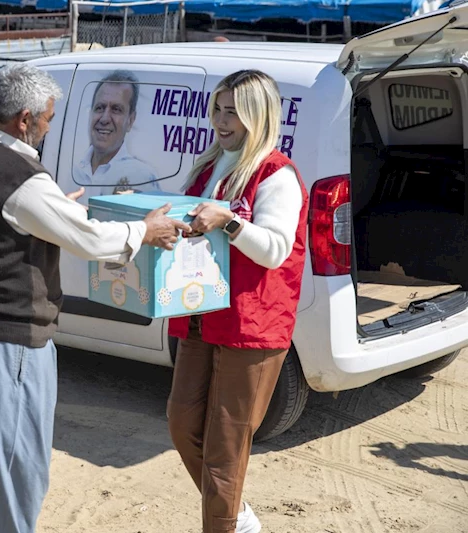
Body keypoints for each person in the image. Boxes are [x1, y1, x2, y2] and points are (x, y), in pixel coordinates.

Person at [0, 63, 191, 533]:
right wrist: (145, 230)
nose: (50, 128)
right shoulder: (17, 175)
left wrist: (52, 209)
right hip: (3, 346)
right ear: (23, 119)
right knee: (9, 471)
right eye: (47, 119)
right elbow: (87, 240)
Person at [166, 69, 309, 533]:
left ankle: (226, 524)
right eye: (218, 109)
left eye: (234, 112)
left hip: (252, 326)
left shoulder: (276, 173)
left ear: (258, 116)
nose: (222, 121)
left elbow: (275, 248)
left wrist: (229, 222)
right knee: (182, 423)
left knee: (225, 451)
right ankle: (240, 518)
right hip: (200, 317)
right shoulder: (210, 166)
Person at [72, 69, 161, 195]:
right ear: (91, 112)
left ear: (130, 120)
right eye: (100, 108)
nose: (104, 118)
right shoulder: (73, 169)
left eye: (116, 109)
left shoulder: (142, 177)